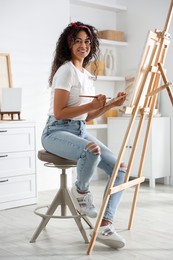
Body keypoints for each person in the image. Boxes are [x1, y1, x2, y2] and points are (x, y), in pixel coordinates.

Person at [41, 21, 127, 249]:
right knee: (92, 150)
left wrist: (110, 105)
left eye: (87, 41)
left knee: (121, 169)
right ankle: (80, 191)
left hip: (79, 130)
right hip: (56, 131)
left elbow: (87, 117)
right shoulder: (66, 70)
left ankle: (105, 224)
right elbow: (59, 113)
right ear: (68, 44)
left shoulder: (86, 75)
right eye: (77, 41)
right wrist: (91, 106)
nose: (83, 45)